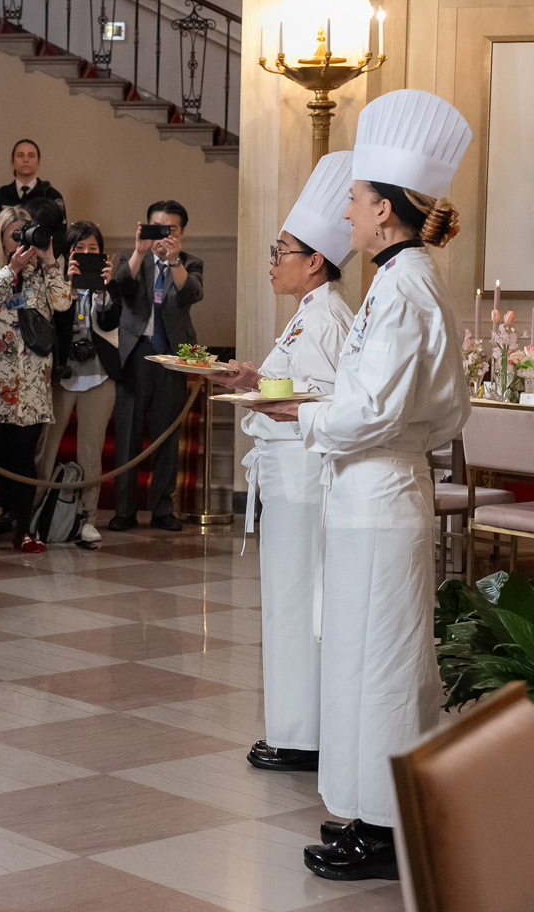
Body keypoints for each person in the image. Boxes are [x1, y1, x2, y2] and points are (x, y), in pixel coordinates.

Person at [258, 89, 473, 882]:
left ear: (385, 211)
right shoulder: (397, 280)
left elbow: (372, 410)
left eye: (354, 200)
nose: (345, 216)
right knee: (356, 656)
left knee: (382, 664)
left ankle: (387, 828)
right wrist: (330, 415)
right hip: (365, 497)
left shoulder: (408, 287)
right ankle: (364, 814)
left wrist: (308, 420)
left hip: (381, 497)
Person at [214, 152, 355, 777]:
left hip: (303, 479)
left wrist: (261, 390)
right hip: (284, 475)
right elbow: (290, 385)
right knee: (286, 598)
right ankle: (293, 726)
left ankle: (303, 734)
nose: (273, 263)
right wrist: (254, 379)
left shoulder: (326, 317)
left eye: (281, 251)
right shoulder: (306, 316)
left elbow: (326, 402)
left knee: (300, 599)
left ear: (314, 261)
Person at [0, 206, 72, 554]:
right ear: (0, 235)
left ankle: (24, 530)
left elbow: (63, 303)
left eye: (26, 232)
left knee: (24, 461)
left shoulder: (42, 270)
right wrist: (12, 269)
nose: (22, 239)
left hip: (32, 383)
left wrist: (50, 259)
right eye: (15, 234)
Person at [109, 200, 204, 532]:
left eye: (171, 230)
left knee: (167, 434)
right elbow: (121, 286)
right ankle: (124, 510)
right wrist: (139, 251)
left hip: (173, 358)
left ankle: (163, 509)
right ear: (144, 228)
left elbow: (191, 293)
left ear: (181, 233)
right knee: (127, 434)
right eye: (156, 228)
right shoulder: (130, 258)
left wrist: (173, 260)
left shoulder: (190, 262)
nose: (163, 236)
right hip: (135, 354)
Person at [34, 221, 120, 545]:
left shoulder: (110, 285)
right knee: (46, 448)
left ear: (102, 253)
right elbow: (56, 322)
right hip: (60, 375)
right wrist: (66, 283)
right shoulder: (54, 282)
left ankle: (87, 519)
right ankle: (38, 514)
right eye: (78, 249)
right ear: (67, 253)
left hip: (99, 375)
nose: (86, 255)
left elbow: (112, 320)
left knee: (90, 452)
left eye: (92, 250)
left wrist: (103, 291)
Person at [0, 139, 64, 234]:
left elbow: (60, 234)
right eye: (20, 155)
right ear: (12, 160)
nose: (25, 160)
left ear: (38, 161)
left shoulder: (51, 196)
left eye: (31, 155)